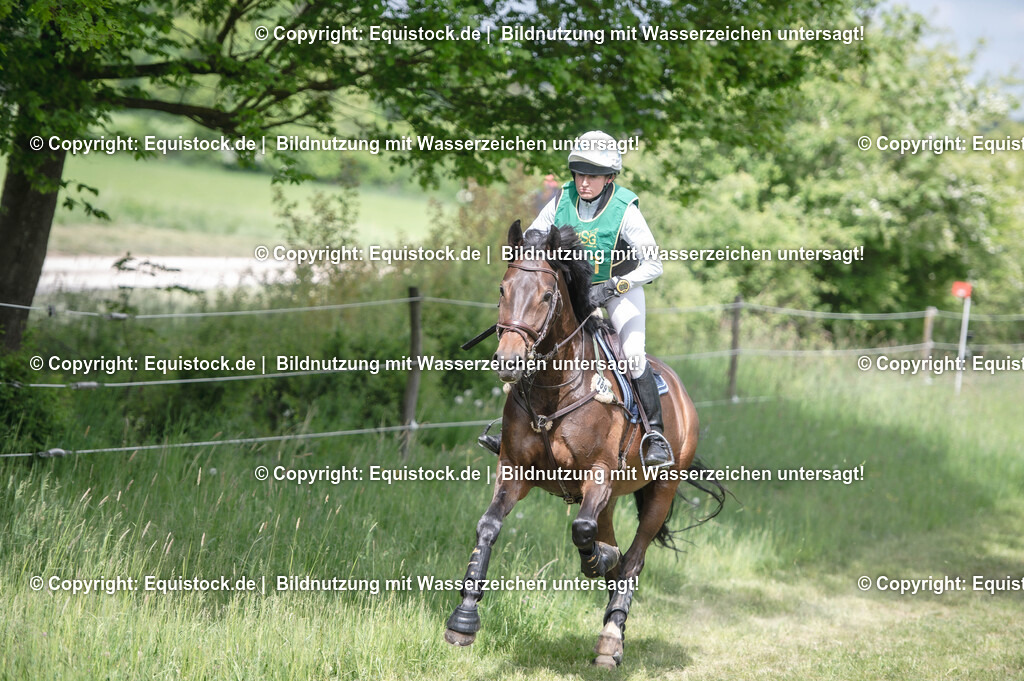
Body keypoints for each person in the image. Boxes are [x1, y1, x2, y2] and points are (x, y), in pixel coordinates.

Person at [480, 130, 671, 468]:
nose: (584, 182)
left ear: (609, 177)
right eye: (579, 173)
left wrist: (614, 287)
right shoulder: (561, 200)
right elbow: (534, 239)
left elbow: (654, 264)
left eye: (593, 176)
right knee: (535, 340)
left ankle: (654, 436)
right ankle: (513, 430)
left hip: (619, 289)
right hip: (574, 292)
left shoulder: (625, 208)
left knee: (632, 353)